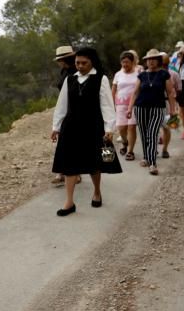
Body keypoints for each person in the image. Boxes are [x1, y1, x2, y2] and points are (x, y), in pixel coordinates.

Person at [51, 47, 117, 215]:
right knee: (69, 164)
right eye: (77, 63)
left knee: (95, 162)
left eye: (84, 63)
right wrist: (56, 127)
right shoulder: (70, 79)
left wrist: (109, 128)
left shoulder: (100, 79)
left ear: (92, 62)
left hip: (93, 126)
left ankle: (97, 191)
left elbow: (107, 105)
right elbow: (62, 105)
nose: (79, 66)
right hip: (71, 127)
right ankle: (69, 202)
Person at [129, 49, 176, 175]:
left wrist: (173, 110)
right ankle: (146, 157)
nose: (151, 61)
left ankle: (152, 163)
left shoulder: (164, 74)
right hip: (140, 108)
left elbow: (170, 93)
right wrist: (129, 108)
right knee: (144, 134)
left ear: (159, 61)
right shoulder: (142, 75)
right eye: (148, 59)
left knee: (152, 133)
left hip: (158, 109)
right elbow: (135, 92)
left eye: (153, 59)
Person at [51, 45, 77, 185]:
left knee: (72, 142)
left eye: (59, 59)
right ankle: (62, 171)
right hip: (64, 108)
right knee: (63, 141)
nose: (58, 62)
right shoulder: (64, 71)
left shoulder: (75, 72)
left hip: (73, 110)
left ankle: (74, 172)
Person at [111, 50, 140, 160]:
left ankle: (130, 151)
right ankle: (125, 142)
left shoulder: (138, 73)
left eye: (127, 62)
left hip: (134, 104)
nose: (125, 64)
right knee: (121, 127)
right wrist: (112, 103)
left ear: (132, 62)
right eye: (123, 62)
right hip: (120, 104)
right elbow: (113, 89)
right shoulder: (118, 74)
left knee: (131, 127)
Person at [160, 52, 182, 159]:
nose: (163, 66)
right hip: (155, 103)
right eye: (162, 63)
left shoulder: (174, 74)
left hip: (168, 103)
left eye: (165, 64)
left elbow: (178, 90)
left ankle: (165, 149)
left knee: (166, 127)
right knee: (153, 128)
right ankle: (153, 149)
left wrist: (175, 107)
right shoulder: (151, 74)